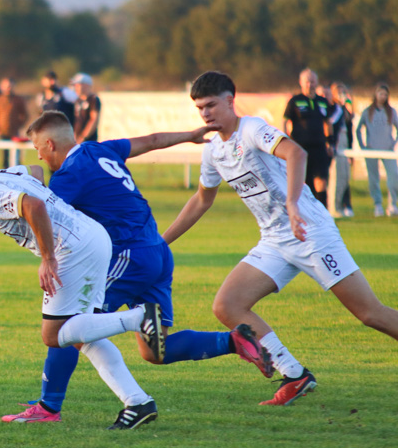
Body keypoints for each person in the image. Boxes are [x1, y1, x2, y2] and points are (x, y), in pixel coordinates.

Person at [5, 111, 272, 423]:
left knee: (69, 326)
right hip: (156, 252)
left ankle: (48, 408)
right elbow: (153, 141)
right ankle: (233, 340)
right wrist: (189, 135)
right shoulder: (101, 149)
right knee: (154, 350)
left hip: (127, 256)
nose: (37, 154)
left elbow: (47, 217)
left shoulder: (67, 176)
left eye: (38, 148)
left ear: (50, 144)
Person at [163, 70, 398, 406]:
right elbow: (202, 199)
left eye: (211, 105)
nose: (205, 114)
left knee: (369, 314)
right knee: (227, 305)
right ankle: (295, 374)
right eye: (200, 108)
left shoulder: (253, 128)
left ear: (231, 100)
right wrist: (161, 241)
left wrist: (292, 203)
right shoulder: (213, 150)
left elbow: (296, 154)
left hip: (311, 233)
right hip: (274, 239)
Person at [0, 167, 164, 429]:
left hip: (71, 250)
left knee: (54, 335)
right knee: (80, 336)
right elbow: (35, 171)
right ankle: (138, 402)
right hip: (92, 237)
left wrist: (48, 257)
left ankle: (139, 317)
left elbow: (33, 204)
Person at [283, 68, 332, 207]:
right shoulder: (295, 101)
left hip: (319, 147)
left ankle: (323, 212)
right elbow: (285, 121)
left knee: (321, 180)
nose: (310, 84)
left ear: (317, 82)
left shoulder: (322, 101)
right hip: (300, 147)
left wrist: (330, 142)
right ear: (301, 82)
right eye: (307, 81)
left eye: (313, 81)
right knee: (304, 182)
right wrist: (286, 141)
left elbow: (328, 123)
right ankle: (306, 212)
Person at [355, 83, 398, 217]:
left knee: (393, 176)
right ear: (376, 94)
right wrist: (363, 147)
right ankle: (377, 204)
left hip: (387, 150)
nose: (383, 97)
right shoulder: (368, 111)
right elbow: (358, 129)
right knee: (373, 178)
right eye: (380, 94)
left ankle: (393, 204)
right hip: (372, 150)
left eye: (385, 94)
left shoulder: (391, 112)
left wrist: (393, 143)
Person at [327, 82, 354, 218]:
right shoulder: (333, 108)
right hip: (337, 144)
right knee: (336, 178)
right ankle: (334, 208)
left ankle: (340, 206)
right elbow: (331, 122)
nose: (342, 95)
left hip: (345, 143)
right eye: (339, 92)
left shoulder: (344, 109)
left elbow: (350, 124)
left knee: (344, 177)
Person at [0, 77, 28, 168]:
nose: (8, 88)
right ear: (2, 87)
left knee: (16, 158)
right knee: (5, 158)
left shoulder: (18, 100)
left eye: (10, 86)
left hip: (14, 133)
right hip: (2, 134)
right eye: (6, 86)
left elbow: (25, 115)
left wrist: (19, 125)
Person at [70, 73, 101, 143]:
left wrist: (82, 137)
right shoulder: (78, 101)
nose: (75, 88)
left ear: (86, 85)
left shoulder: (93, 100)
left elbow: (93, 119)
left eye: (78, 85)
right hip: (77, 140)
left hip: (88, 141)